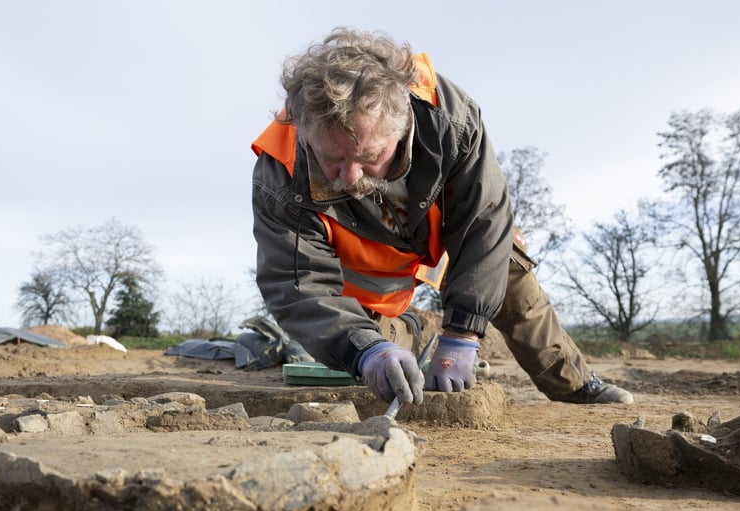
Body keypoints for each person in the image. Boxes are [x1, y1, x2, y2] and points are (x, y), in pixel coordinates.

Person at [251, 27, 632, 408]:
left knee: (505, 259)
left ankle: (576, 384)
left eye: (369, 157)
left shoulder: (449, 117)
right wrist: (367, 350)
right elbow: (299, 285)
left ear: (399, 129)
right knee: (376, 357)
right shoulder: (280, 176)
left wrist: (464, 333)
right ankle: (406, 334)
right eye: (332, 159)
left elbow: (485, 218)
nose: (350, 177)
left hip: (439, 238)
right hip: (362, 282)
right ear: (303, 131)